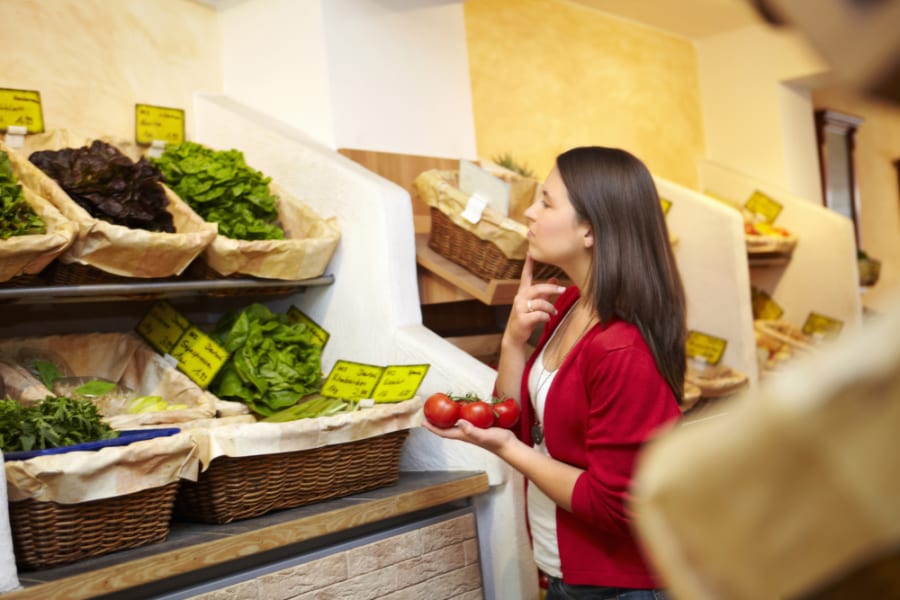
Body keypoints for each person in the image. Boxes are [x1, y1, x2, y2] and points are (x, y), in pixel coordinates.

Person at [424, 146, 686, 599]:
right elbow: (514, 422)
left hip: (620, 586)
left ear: (590, 229)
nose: (529, 211)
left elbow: (614, 506)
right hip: (567, 573)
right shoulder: (569, 305)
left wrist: (507, 448)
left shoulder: (621, 348)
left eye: (546, 201)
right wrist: (513, 341)